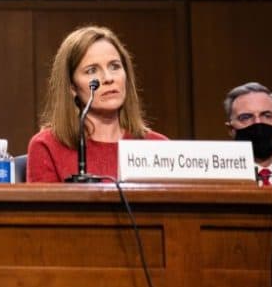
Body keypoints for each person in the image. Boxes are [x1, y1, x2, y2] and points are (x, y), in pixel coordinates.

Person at [27, 26, 167, 182]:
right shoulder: (47, 146)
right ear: (72, 87)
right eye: (92, 70)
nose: (108, 78)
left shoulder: (158, 147)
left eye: (114, 66)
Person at [224, 81, 272, 186]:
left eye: (267, 115)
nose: (258, 122)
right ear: (231, 130)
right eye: (246, 117)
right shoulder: (216, 182)